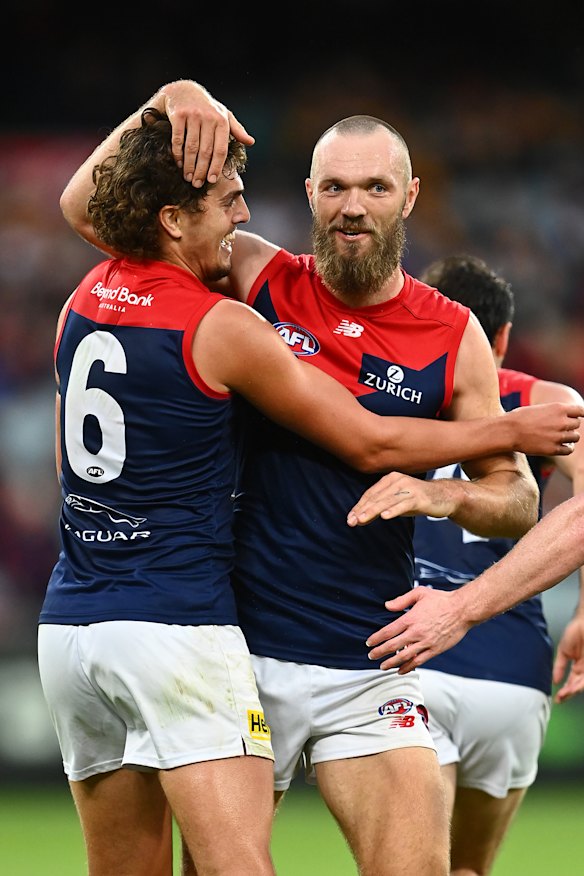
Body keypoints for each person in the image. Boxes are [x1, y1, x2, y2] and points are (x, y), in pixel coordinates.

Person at [58, 81, 584, 876]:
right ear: (309, 194)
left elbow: (515, 499)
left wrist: (443, 493)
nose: (353, 206)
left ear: (409, 195)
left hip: (367, 659)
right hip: (243, 650)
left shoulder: (452, 333)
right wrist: (167, 101)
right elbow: (99, 213)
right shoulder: (252, 278)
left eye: (374, 187)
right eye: (335, 186)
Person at [407, 254, 584, 876]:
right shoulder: (543, 402)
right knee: (468, 870)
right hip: (512, 669)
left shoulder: (391, 387)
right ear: (503, 339)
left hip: (413, 651)